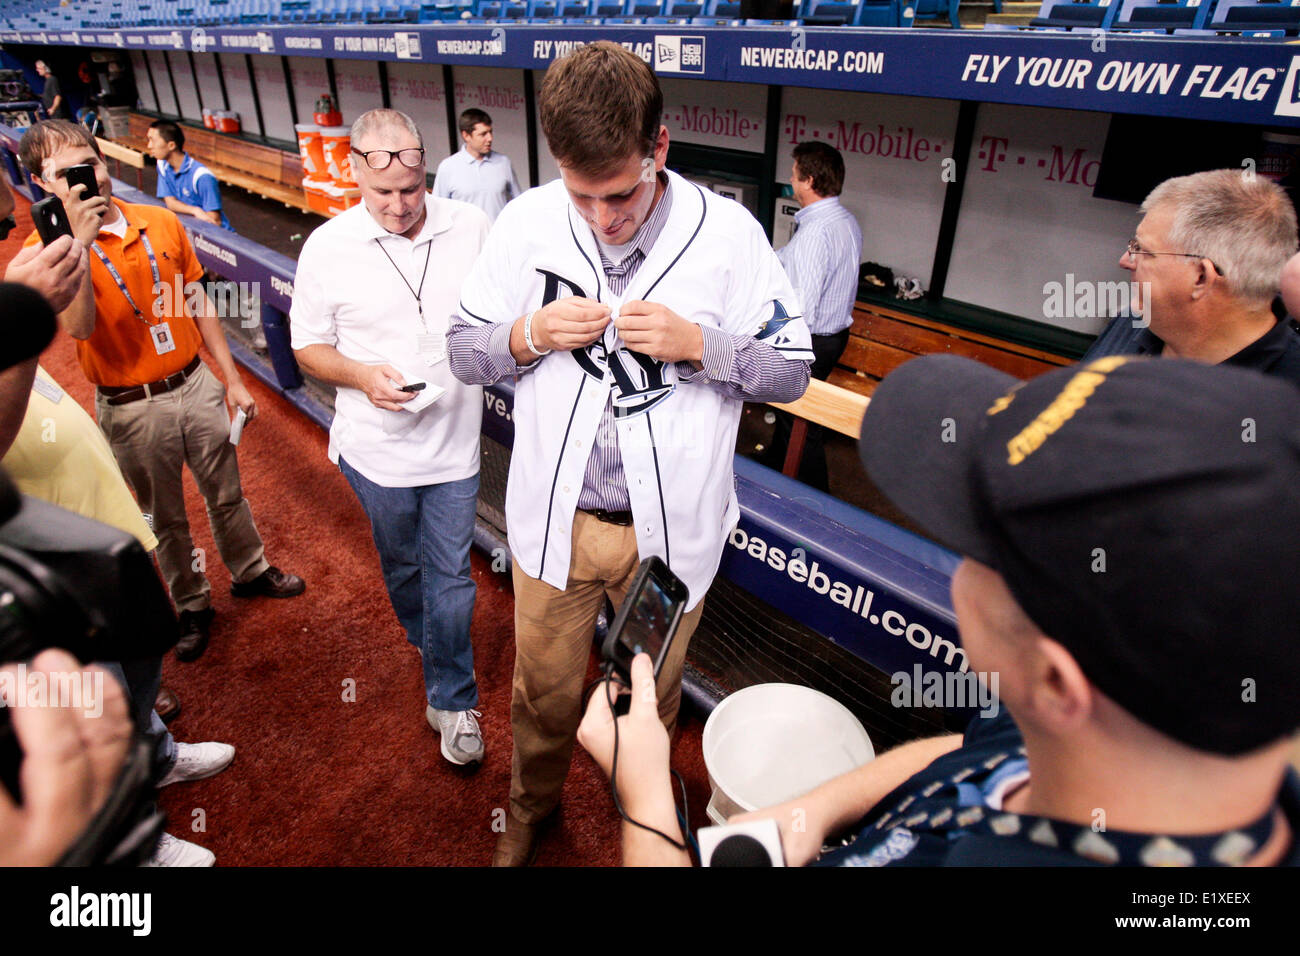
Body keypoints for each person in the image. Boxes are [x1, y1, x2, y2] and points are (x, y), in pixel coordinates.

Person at [581, 353, 1300, 867]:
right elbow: (984, 753)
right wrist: (818, 810)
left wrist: (642, 785)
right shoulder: (1161, 750)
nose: (955, 564)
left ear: (1056, 684)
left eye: (973, 544)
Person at [447, 41, 813, 866]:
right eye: (583, 194)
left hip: (669, 539)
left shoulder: (729, 234)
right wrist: (527, 333)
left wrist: (703, 346)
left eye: (619, 194)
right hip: (554, 523)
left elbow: (791, 370)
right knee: (540, 694)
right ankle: (530, 809)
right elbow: (464, 353)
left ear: (661, 149)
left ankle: (640, 828)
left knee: (650, 703)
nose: (602, 218)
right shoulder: (527, 220)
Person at [18, 120, 305, 664]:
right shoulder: (46, 250)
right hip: (131, 407)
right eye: (68, 172)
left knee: (227, 492)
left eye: (92, 163)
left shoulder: (159, 220)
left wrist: (233, 379)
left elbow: (195, 301)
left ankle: (249, 570)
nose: (88, 178)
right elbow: (78, 328)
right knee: (163, 517)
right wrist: (76, 244)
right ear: (42, 183)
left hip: (193, 383)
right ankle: (192, 602)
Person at [291, 109, 491, 765]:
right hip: (375, 452)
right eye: (384, 195)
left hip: (455, 451)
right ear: (353, 172)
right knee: (404, 570)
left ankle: (454, 699)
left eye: (412, 189)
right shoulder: (326, 246)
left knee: (452, 578)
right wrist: (358, 375)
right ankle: (426, 637)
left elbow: (503, 312)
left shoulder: (473, 227)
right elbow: (307, 350)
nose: (402, 206)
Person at [1083, 168, 1300, 386]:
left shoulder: (1289, 394)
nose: (1125, 260)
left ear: (1201, 278)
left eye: (1142, 249)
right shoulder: (1138, 318)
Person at [761, 141, 862, 491]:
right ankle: (776, 464)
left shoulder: (815, 232)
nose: (790, 181)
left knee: (801, 418)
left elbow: (800, 306)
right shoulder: (844, 220)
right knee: (792, 411)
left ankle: (816, 498)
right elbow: (786, 256)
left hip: (812, 339)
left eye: (794, 175)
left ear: (810, 180)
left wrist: (769, 339)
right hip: (835, 337)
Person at [432, 108, 521, 222]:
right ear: (466, 135)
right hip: (464, 238)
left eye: (490, 132)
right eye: (483, 134)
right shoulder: (447, 167)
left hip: (499, 238)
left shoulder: (504, 163)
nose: (490, 138)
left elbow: (518, 203)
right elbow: (438, 212)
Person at [145, 119, 231, 231]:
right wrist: (195, 210)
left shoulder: (202, 177)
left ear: (171, 145)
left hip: (218, 238)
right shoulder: (162, 165)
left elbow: (214, 221)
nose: (149, 146)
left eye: (153, 140)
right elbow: (170, 202)